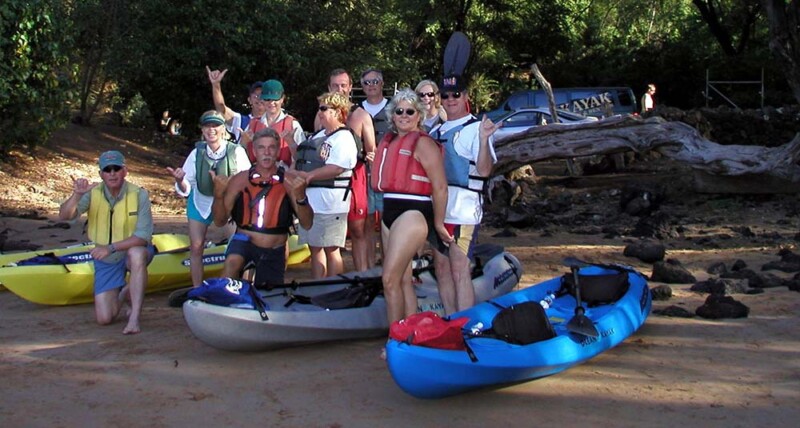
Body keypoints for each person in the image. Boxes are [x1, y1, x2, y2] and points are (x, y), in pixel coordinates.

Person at [371, 89, 452, 323]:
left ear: (419, 115)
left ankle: (394, 339)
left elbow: (440, 187)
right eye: (399, 111)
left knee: (389, 279)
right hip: (390, 211)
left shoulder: (423, 144)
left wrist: (438, 223)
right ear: (392, 115)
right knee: (402, 280)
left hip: (414, 213)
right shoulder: (390, 141)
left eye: (410, 111)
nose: (404, 115)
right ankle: (409, 333)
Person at [58, 151, 154, 334]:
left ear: (125, 171)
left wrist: (110, 248)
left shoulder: (139, 194)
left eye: (116, 168)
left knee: (137, 254)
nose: (112, 173)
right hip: (107, 259)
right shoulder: (92, 193)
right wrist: (77, 195)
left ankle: (134, 318)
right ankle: (126, 290)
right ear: (101, 174)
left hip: (129, 250)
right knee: (104, 318)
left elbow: (142, 237)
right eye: (107, 170)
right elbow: (64, 216)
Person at [429, 75, 499, 315]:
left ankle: (464, 324)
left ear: (466, 97)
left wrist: (483, 139)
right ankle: (450, 320)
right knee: (441, 268)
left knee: (460, 268)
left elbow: (485, 170)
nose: (450, 100)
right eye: (445, 95)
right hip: (438, 210)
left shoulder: (476, 128)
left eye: (456, 95)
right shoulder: (435, 130)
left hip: (463, 210)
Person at [211, 128, 313, 285]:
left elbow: (307, 223)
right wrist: (218, 195)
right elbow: (219, 221)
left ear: (278, 150)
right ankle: (221, 296)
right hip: (244, 241)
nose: (267, 152)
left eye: (271, 147)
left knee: (267, 293)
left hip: (273, 249)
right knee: (233, 261)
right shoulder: (239, 180)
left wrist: (301, 198)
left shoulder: (290, 181)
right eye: (261, 147)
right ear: (254, 151)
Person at [166, 111, 251, 287]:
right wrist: (180, 180)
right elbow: (186, 188)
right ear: (202, 130)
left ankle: (236, 284)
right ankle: (198, 288)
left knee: (236, 246)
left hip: (229, 203)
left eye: (215, 126)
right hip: (201, 201)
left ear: (223, 129)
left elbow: (246, 181)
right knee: (196, 246)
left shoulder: (236, 152)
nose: (211, 130)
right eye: (207, 126)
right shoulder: (196, 153)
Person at [294, 92, 358, 279]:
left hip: (332, 203)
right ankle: (318, 287)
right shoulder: (319, 135)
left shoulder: (344, 137)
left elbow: (338, 167)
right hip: (311, 202)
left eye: (324, 108)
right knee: (315, 248)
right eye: (319, 108)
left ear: (339, 112)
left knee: (331, 249)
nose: (319, 113)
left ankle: (333, 288)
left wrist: (309, 176)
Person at [322, 69, 376, 272]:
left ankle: (362, 276)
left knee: (358, 230)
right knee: (328, 234)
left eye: (343, 85)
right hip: (328, 180)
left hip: (355, 178)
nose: (340, 89)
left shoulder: (361, 115)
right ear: (329, 88)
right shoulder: (322, 116)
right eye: (335, 85)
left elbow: (372, 151)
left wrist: (369, 156)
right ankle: (328, 282)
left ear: (350, 87)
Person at [359, 68, 390, 269]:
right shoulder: (356, 110)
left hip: (388, 173)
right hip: (363, 172)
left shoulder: (394, 108)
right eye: (367, 82)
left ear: (382, 83)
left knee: (388, 224)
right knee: (367, 222)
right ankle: (370, 269)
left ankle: (389, 266)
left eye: (375, 81)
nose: (371, 85)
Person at [240, 79, 306, 167]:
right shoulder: (252, 124)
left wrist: (291, 143)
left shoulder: (292, 125)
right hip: (256, 175)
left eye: (275, 99)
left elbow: (303, 159)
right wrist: (243, 142)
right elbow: (238, 158)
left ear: (282, 99)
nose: (272, 103)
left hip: (284, 175)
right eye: (267, 99)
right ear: (262, 99)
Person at [206, 66, 266, 143]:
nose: (259, 99)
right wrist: (216, 84)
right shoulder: (240, 120)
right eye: (256, 96)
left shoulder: (276, 121)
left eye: (263, 95)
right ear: (249, 100)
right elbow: (221, 109)